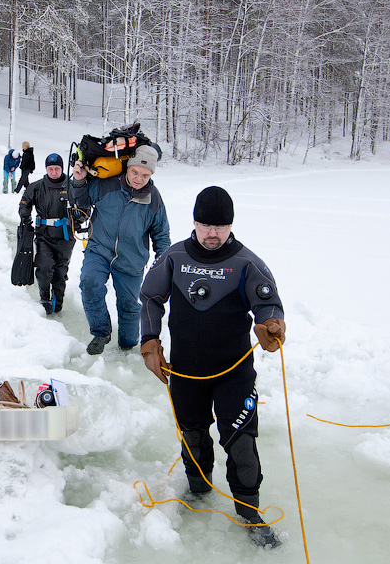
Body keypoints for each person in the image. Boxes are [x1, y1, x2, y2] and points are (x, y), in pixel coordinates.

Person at [138, 186, 285, 548]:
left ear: (231, 225)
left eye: (220, 226)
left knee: (242, 446)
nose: (212, 233)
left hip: (234, 372)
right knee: (193, 437)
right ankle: (199, 491)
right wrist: (150, 340)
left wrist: (271, 325)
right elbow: (151, 297)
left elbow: (269, 305)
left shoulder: (247, 263)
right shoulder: (173, 258)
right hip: (187, 371)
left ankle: (250, 512)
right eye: (205, 225)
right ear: (194, 222)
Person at [70, 145, 170, 355]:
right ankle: (101, 332)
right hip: (99, 249)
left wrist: (162, 259)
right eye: (135, 172)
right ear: (128, 168)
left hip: (131, 259)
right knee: (90, 284)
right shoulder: (108, 185)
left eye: (145, 175)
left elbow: (161, 232)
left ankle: (127, 345)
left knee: (129, 306)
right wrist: (79, 181)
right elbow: (81, 202)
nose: (139, 178)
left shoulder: (154, 198)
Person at [18, 153, 77, 315]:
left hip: (65, 237)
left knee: (60, 272)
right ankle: (44, 299)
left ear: (62, 169)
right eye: (50, 169)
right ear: (46, 169)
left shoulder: (71, 187)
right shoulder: (37, 186)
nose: (53, 172)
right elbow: (24, 203)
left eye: (57, 169)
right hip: (44, 236)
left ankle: (58, 303)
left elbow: (83, 207)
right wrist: (25, 215)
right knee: (44, 268)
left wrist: (77, 221)